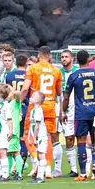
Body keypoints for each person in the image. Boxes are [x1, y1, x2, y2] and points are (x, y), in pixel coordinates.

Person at [62, 50, 95, 182]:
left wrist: (63, 112)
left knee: (81, 142)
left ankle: (83, 174)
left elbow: (67, 96)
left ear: (76, 60)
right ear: (88, 60)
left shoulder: (73, 75)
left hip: (81, 113)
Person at [21, 46, 62, 179]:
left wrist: (19, 102)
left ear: (38, 56)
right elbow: (59, 92)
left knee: (28, 135)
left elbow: (25, 88)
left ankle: (36, 161)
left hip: (36, 106)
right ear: (50, 57)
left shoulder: (33, 68)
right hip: (50, 105)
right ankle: (48, 168)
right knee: (48, 137)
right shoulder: (56, 70)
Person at [57, 49, 78, 177]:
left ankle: (89, 168)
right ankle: (73, 169)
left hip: (78, 109)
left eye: (66, 57)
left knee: (83, 139)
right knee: (69, 138)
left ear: (72, 59)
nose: (64, 59)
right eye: (62, 57)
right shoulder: (58, 73)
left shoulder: (77, 72)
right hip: (65, 110)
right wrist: (61, 111)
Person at [26, 91, 48, 184]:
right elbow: (32, 125)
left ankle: (41, 176)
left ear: (37, 100)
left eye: (33, 96)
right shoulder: (32, 111)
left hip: (41, 136)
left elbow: (37, 126)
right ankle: (39, 175)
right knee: (39, 155)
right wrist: (29, 136)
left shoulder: (38, 110)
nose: (30, 97)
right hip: (36, 136)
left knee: (41, 155)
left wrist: (34, 137)